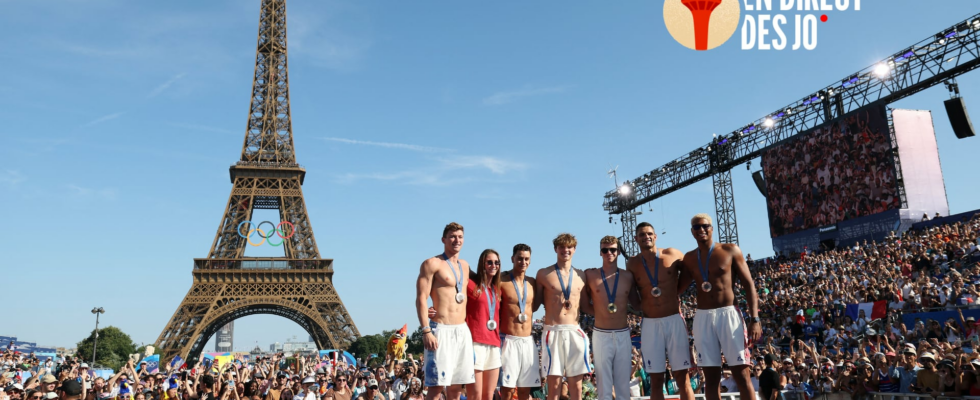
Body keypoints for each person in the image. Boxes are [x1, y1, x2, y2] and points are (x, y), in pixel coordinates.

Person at [680, 214, 761, 400]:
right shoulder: (690, 258)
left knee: (741, 374)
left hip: (729, 314)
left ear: (712, 228)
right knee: (711, 377)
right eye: (696, 227)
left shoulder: (730, 250)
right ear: (692, 232)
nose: (701, 230)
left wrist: (755, 318)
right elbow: (677, 287)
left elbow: (749, 284)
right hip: (702, 316)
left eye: (705, 226)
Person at [625, 222, 694, 400]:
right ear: (636, 239)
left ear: (655, 236)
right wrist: (638, 306)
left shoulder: (672, 254)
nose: (646, 237)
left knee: (682, 377)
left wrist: (677, 290)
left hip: (673, 320)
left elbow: (690, 271)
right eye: (641, 235)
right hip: (650, 323)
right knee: (655, 380)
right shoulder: (632, 263)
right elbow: (632, 290)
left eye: (649, 233)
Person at [415, 222, 475, 400]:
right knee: (437, 386)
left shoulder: (464, 265)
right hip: (441, 329)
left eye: (460, 237)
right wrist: (426, 330)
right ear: (444, 239)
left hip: (462, 330)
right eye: (452, 236)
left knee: (457, 386)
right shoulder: (432, 263)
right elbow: (420, 298)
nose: (457, 240)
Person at [533, 233, 591, 400]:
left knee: (577, 385)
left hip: (575, 329)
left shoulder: (581, 275)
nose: (565, 250)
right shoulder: (544, 273)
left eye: (569, 247)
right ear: (555, 249)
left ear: (574, 249)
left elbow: (586, 306)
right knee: (554, 384)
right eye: (562, 247)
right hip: (553, 329)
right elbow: (535, 304)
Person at [582, 236, 636, 400]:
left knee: (623, 385)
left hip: (623, 333)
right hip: (601, 333)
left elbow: (637, 304)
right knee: (604, 386)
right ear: (600, 253)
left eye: (612, 249)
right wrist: (601, 314)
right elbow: (584, 306)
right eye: (605, 250)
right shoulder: (590, 275)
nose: (609, 253)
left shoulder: (628, 276)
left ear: (618, 252)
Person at [499, 244, 540, 400]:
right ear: (512, 259)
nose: (523, 262)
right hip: (509, 339)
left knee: (525, 390)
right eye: (520, 258)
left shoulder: (532, 282)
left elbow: (534, 306)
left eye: (526, 259)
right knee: (508, 389)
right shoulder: (502, 280)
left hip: (528, 341)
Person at [466, 249, 502, 400]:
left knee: (488, 395)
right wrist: (435, 308)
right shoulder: (470, 284)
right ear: (482, 264)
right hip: (475, 343)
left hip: (494, 343)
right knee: (476, 395)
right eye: (489, 262)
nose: (493, 265)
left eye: (496, 262)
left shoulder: (497, 289)